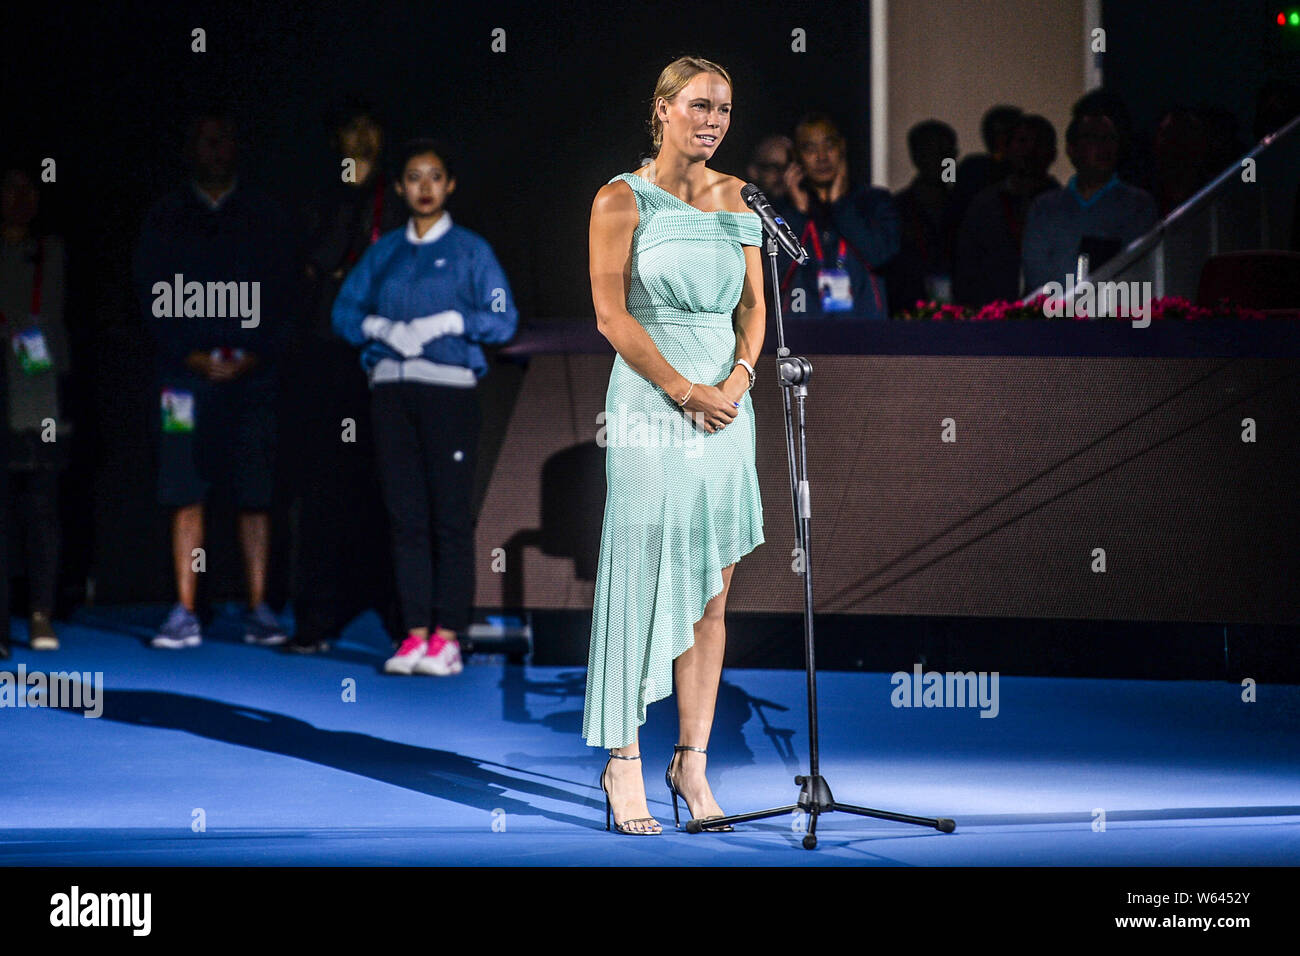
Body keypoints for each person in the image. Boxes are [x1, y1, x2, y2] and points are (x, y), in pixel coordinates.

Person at [584, 56, 766, 835]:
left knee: (711, 591)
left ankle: (690, 761)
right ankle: (622, 759)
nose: (713, 121)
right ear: (660, 110)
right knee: (638, 573)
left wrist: (739, 379)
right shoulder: (620, 199)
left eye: (723, 109)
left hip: (727, 405)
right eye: (698, 106)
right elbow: (612, 317)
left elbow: (756, 309)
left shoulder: (741, 201)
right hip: (651, 401)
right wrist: (683, 389)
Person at [333, 138, 518, 677]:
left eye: (435, 176)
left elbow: (502, 318)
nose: (425, 187)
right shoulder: (385, 251)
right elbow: (343, 310)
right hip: (392, 390)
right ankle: (414, 634)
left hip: (449, 393)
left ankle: (448, 635)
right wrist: (377, 326)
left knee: (449, 516)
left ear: (450, 184)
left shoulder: (471, 251)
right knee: (405, 515)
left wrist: (453, 321)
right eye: (414, 177)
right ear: (399, 187)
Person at [134, 111, 297, 648]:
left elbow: (283, 298)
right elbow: (151, 298)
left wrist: (255, 355)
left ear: (237, 147)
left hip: (254, 380)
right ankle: (184, 611)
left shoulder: (265, 216)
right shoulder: (165, 217)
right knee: (185, 491)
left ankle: (258, 609)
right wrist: (193, 355)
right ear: (191, 148)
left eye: (224, 138)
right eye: (205, 140)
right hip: (183, 381)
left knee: (256, 494)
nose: (215, 149)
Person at [279, 102, 404, 654]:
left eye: (369, 127)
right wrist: (349, 196)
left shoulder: (400, 196)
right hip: (328, 359)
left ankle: (408, 622)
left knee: (392, 490)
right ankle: (315, 621)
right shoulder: (322, 194)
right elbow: (320, 257)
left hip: (389, 360)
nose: (361, 138)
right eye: (350, 129)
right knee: (323, 491)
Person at [2, 165, 69, 650]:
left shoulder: (53, 251)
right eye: (11, 188)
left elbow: (57, 324)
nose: (21, 198)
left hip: (40, 393)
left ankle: (41, 613)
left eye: (31, 188)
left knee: (41, 508)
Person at [773, 113, 899, 320]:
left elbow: (880, 256)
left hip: (865, 331)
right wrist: (798, 214)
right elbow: (771, 276)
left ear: (842, 146)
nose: (822, 157)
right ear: (796, 156)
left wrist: (841, 206)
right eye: (810, 149)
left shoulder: (874, 202)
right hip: (802, 332)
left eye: (829, 146)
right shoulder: (781, 211)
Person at [1021, 113, 1157, 294]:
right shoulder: (1045, 207)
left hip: (1114, 316)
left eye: (1109, 139)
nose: (1103, 147)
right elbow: (1035, 272)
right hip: (1054, 316)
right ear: (1072, 149)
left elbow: (1137, 270)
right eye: (1093, 138)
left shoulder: (1138, 205)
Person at [953, 115, 1058, 307]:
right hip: (993, 316)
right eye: (1022, 141)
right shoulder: (985, 204)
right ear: (1008, 148)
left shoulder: (1063, 205)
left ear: (1053, 152)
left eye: (1038, 142)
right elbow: (966, 266)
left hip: (1053, 314)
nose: (1030, 150)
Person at [889, 119, 959, 307]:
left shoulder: (966, 208)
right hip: (908, 313)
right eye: (933, 152)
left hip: (960, 314)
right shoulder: (895, 210)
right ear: (916, 156)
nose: (942, 160)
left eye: (947, 153)